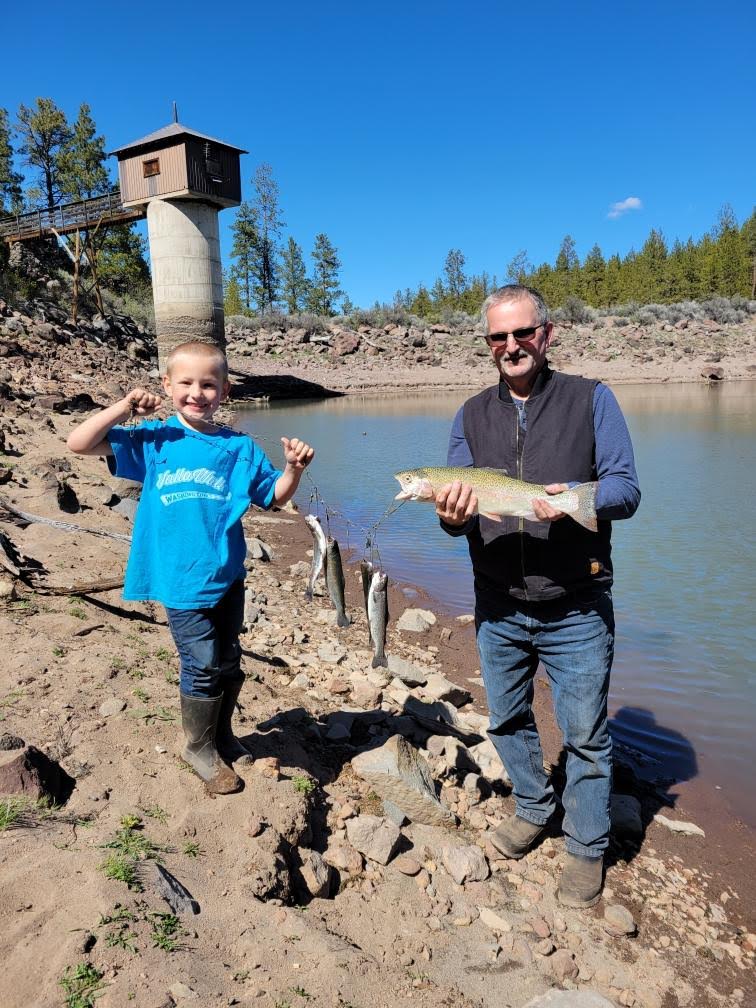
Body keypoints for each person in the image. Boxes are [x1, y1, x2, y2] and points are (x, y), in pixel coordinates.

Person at [435, 285, 640, 908]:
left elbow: (626, 490)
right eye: (498, 337)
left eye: (522, 333)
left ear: (545, 334)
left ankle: (585, 845)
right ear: (488, 344)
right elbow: (455, 521)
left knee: (584, 733)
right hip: (498, 601)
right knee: (506, 718)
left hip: (576, 601)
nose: (511, 346)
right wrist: (449, 513)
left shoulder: (591, 399)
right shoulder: (470, 414)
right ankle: (533, 805)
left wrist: (576, 495)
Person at [67, 340, 314, 795]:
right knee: (200, 664)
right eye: (186, 383)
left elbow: (273, 497)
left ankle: (221, 734)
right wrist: (124, 406)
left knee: (228, 658)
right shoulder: (155, 440)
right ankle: (197, 746)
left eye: (208, 384)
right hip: (180, 579)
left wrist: (293, 469)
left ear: (225, 391)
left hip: (227, 575)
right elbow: (78, 443)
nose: (197, 393)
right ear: (167, 385)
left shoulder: (240, 448)